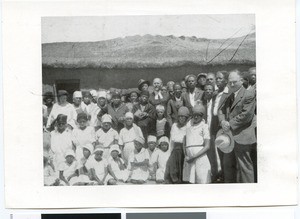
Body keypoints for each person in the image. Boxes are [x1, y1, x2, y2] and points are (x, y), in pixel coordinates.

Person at [219, 70, 256, 183]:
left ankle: (249, 194)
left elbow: (246, 115)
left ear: (241, 80)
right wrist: (222, 121)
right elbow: (220, 110)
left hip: (242, 137)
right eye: (230, 82)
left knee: (245, 168)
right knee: (228, 167)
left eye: (234, 82)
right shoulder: (229, 95)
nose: (232, 84)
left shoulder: (249, 94)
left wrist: (229, 124)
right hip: (228, 138)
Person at [210, 71, 236, 183]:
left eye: (220, 78)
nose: (217, 80)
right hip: (216, 124)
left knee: (228, 154)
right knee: (220, 150)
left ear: (226, 80)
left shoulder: (229, 93)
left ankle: (229, 180)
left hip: (225, 125)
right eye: (217, 78)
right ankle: (224, 177)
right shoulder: (215, 93)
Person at [183, 104, 211, 184]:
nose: (195, 117)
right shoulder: (188, 124)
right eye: (194, 115)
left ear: (202, 116)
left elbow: (207, 146)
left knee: (202, 182)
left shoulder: (204, 126)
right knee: (191, 183)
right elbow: (184, 141)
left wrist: (194, 157)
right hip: (189, 159)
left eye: (198, 115)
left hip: (200, 159)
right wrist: (186, 155)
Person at [165, 106, 189, 184]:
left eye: (184, 117)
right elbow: (171, 140)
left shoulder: (188, 127)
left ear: (186, 118)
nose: (181, 118)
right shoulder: (174, 126)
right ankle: (174, 180)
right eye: (180, 116)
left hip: (183, 149)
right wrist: (170, 152)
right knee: (172, 165)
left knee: (182, 167)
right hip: (175, 149)